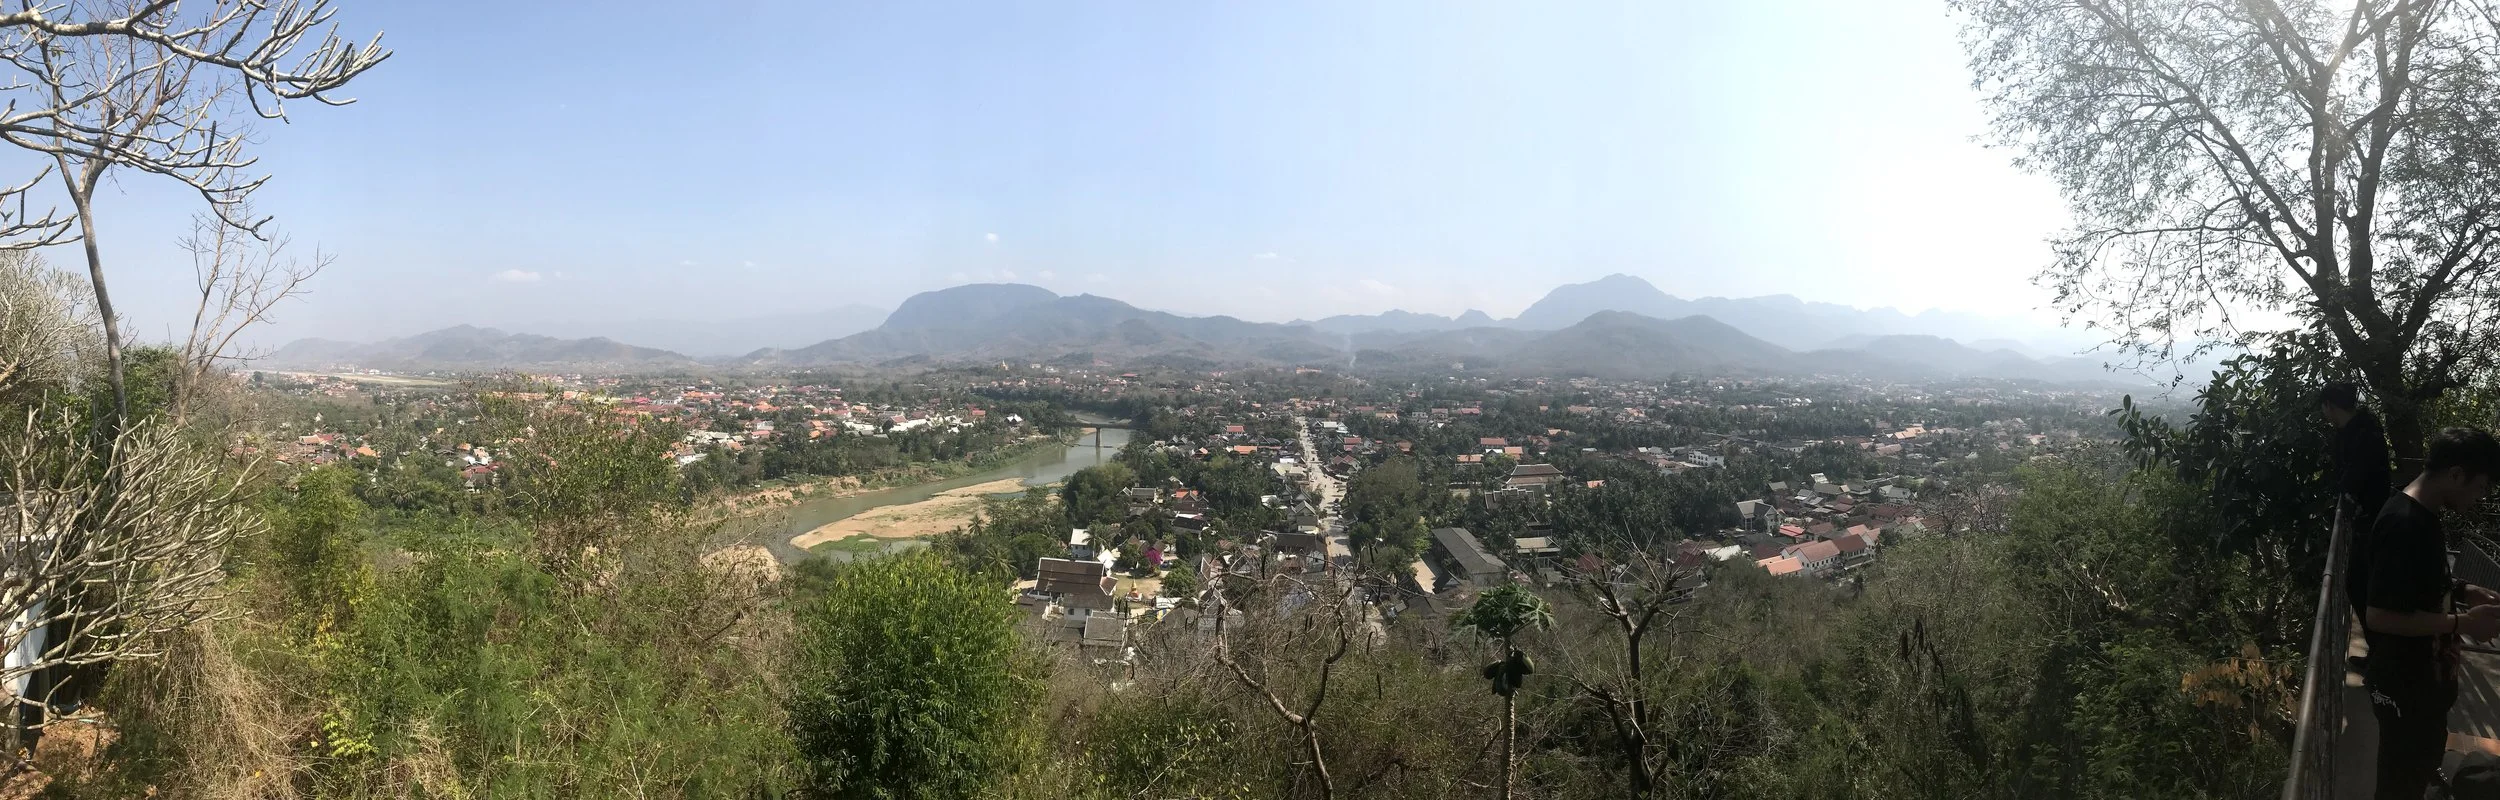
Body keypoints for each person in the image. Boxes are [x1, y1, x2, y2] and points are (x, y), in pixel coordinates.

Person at [2364, 427, 2500, 799]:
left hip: (2426, 685)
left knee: (2418, 772)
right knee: (2398, 786)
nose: (2480, 497)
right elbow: (2379, 615)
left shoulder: (2423, 515)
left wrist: (2463, 590)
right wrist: (2463, 623)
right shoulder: (2403, 524)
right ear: (2456, 474)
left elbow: (2413, 585)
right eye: (2481, 487)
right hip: (2404, 687)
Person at [2325, 383, 2394, 615]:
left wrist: (2345, 489)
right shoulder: (2357, 430)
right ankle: (2379, 645)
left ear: (2331, 406)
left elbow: (2357, 473)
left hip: (2372, 515)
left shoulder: (2363, 434)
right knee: (2362, 584)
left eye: (2324, 408)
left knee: (2358, 585)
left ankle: (2379, 644)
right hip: (2368, 513)